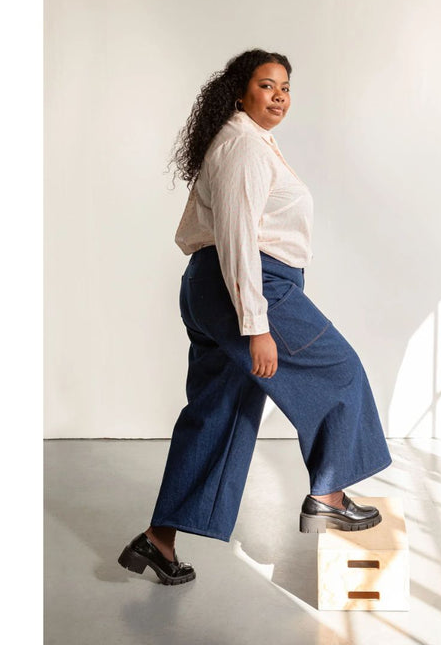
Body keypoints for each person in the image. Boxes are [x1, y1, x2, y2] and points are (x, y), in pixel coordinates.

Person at [118, 49, 392, 586]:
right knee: (339, 371)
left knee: (220, 413)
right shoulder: (243, 146)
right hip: (248, 285)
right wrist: (257, 324)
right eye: (267, 85)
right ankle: (329, 496)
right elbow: (239, 237)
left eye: (286, 88)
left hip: (216, 286)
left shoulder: (247, 141)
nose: (279, 96)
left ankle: (157, 540)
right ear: (241, 91)